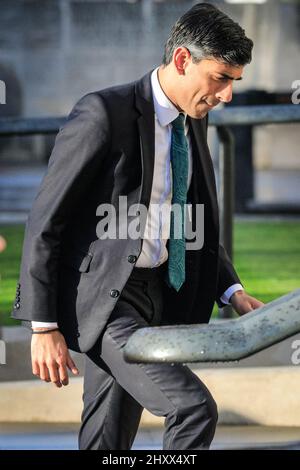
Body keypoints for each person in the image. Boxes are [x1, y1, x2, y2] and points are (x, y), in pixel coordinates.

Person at [12, 3, 264, 450]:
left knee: (108, 440)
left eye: (234, 82)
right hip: (103, 302)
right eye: (221, 78)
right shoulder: (103, 113)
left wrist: (231, 289)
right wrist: (43, 325)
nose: (228, 95)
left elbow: (187, 214)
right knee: (192, 408)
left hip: (157, 296)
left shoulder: (193, 120)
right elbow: (47, 220)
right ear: (183, 60)